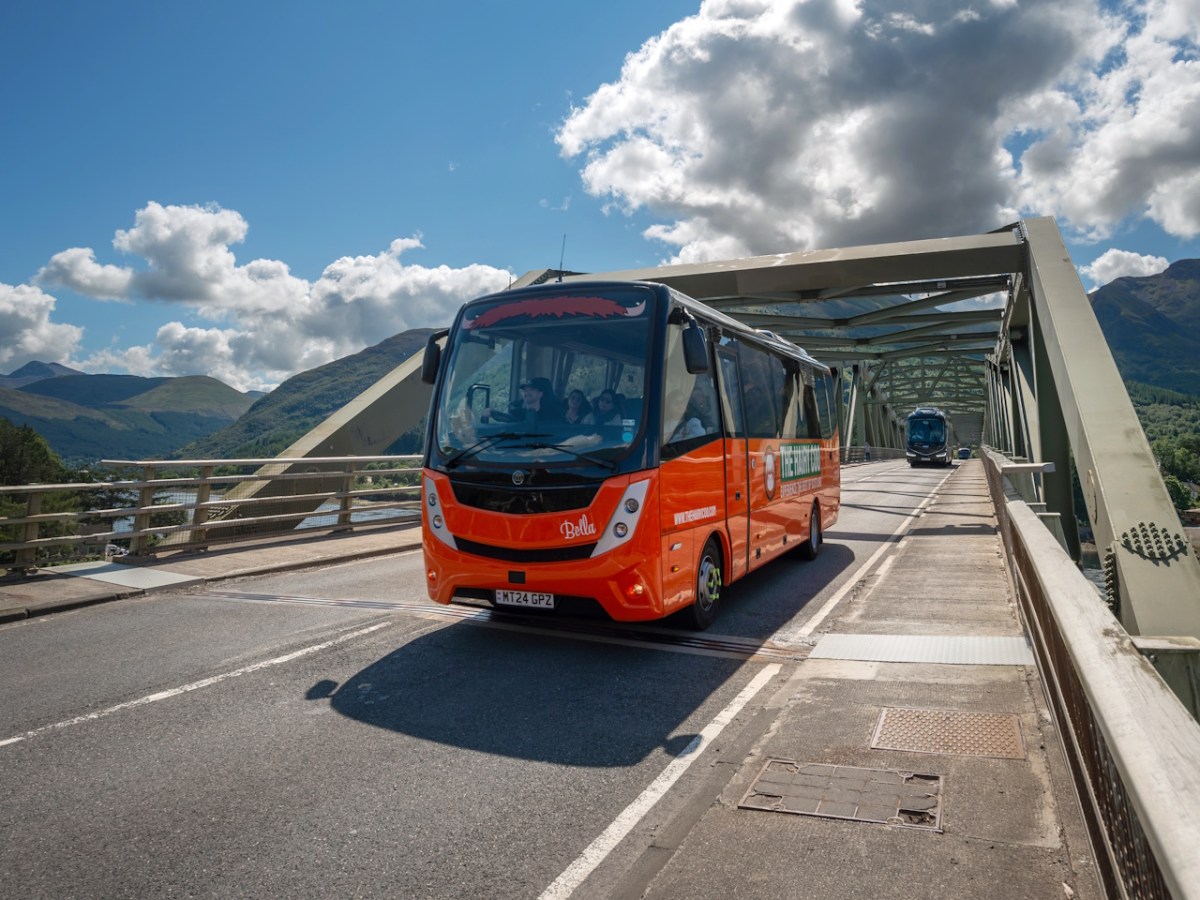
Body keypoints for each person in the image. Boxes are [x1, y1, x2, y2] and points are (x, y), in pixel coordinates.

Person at [481, 376, 561, 427]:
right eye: (525, 390)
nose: (527, 393)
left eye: (532, 390)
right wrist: (492, 413)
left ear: (541, 394)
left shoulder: (553, 415)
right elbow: (509, 420)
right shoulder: (517, 413)